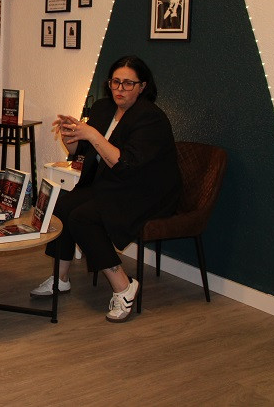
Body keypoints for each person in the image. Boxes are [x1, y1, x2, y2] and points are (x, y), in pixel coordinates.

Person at [30, 56, 181, 323]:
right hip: (113, 186)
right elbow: (86, 152)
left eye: (128, 83)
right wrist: (72, 139)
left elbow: (125, 165)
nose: (120, 89)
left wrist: (92, 135)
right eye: (115, 82)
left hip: (145, 192)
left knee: (83, 217)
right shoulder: (102, 108)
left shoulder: (150, 118)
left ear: (142, 86)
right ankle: (60, 278)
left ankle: (123, 286)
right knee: (62, 204)